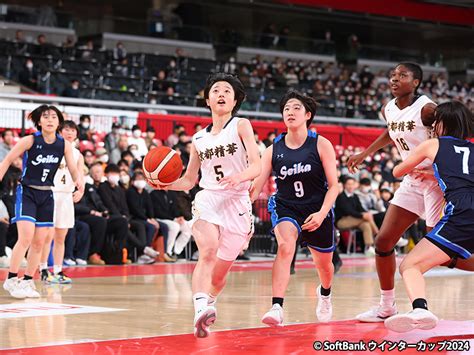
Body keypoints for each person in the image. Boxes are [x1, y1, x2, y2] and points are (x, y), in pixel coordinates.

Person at [152, 73, 260, 338]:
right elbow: (189, 180)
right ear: (207, 99)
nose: (221, 94)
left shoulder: (242, 125)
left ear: (235, 100)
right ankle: (200, 307)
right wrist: (165, 183)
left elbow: (257, 164)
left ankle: (209, 300)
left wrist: (241, 176)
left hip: (237, 201)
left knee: (220, 274)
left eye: (226, 90)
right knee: (208, 252)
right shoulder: (198, 138)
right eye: (215, 90)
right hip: (208, 197)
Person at [347, 62, 445, 322]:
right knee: (383, 242)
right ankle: (387, 306)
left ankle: (420, 303)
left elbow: (450, 138)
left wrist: (439, 169)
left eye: (402, 76)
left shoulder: (427, 109)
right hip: (412, 182)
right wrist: (366, 152)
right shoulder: (388, 108)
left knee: (443, 251)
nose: (394, 79)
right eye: (392, 75)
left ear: (415, 83)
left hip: (437, 182)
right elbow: (391, 133)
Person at [250, 90, 339, 326]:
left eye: (296, 108)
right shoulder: (272, 150)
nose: (290, 111)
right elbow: (256, 187)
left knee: (324, 267)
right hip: (286, 206)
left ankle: (325, 293)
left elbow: (334, 187)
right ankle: (277, 306)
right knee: (285, 246)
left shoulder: (321, 144)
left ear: (307, 114)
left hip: (317, 209)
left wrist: (321, 214)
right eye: (286, 108)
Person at [385, 101, 474, 332]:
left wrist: (423, 168)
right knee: (454, 257)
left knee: (410, 265)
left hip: (462, 212)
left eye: (436, 122)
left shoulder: (432, 143)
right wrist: (435, 175)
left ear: (442, 123)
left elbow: (397, 172)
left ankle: (420, 308)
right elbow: (464, 176)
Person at [0, 105, 83, 298]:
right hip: (27, 192)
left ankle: (28, 281)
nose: (50, 120)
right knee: (26, 237)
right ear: (39, 121)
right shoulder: (29, 140)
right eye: (45, 117)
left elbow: (72, 168)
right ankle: (11, 278)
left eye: (54, 116)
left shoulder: (64, 145)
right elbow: (6, 161)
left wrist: (78, 181)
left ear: (58, 121)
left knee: (39, 242)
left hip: (47, 194)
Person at [39, 120, 84, 284]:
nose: (70, 132)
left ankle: (58, 270)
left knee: (61, 236)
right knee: (47, 234)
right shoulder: (50, 147)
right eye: (66, 129)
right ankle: (43, 268)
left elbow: (80, 176)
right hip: (50, 193)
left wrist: (80, 190)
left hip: (66, 196)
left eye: (73, 130)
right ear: (59, 131)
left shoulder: (78, 154)